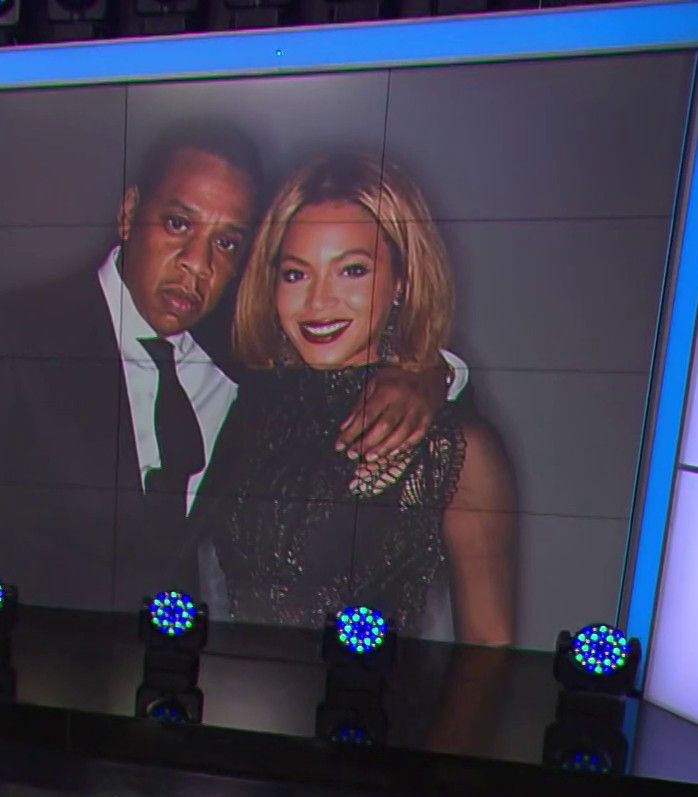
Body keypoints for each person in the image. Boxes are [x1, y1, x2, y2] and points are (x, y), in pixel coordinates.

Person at [0, 123, 465, 605]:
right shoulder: (10, 335)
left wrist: (426, 372)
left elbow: (352, 346)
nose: (196, 264)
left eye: (226, 243)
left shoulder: (248, 353)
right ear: (129, 214)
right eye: (178, 223)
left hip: (188, 669)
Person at [191, 153, 517, 645]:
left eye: (352, 270)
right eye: (296, 274)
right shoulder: (249, 404)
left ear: (403, 280)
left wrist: (428, 370)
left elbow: (489, 648)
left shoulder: (454, 447)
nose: (319, 301)